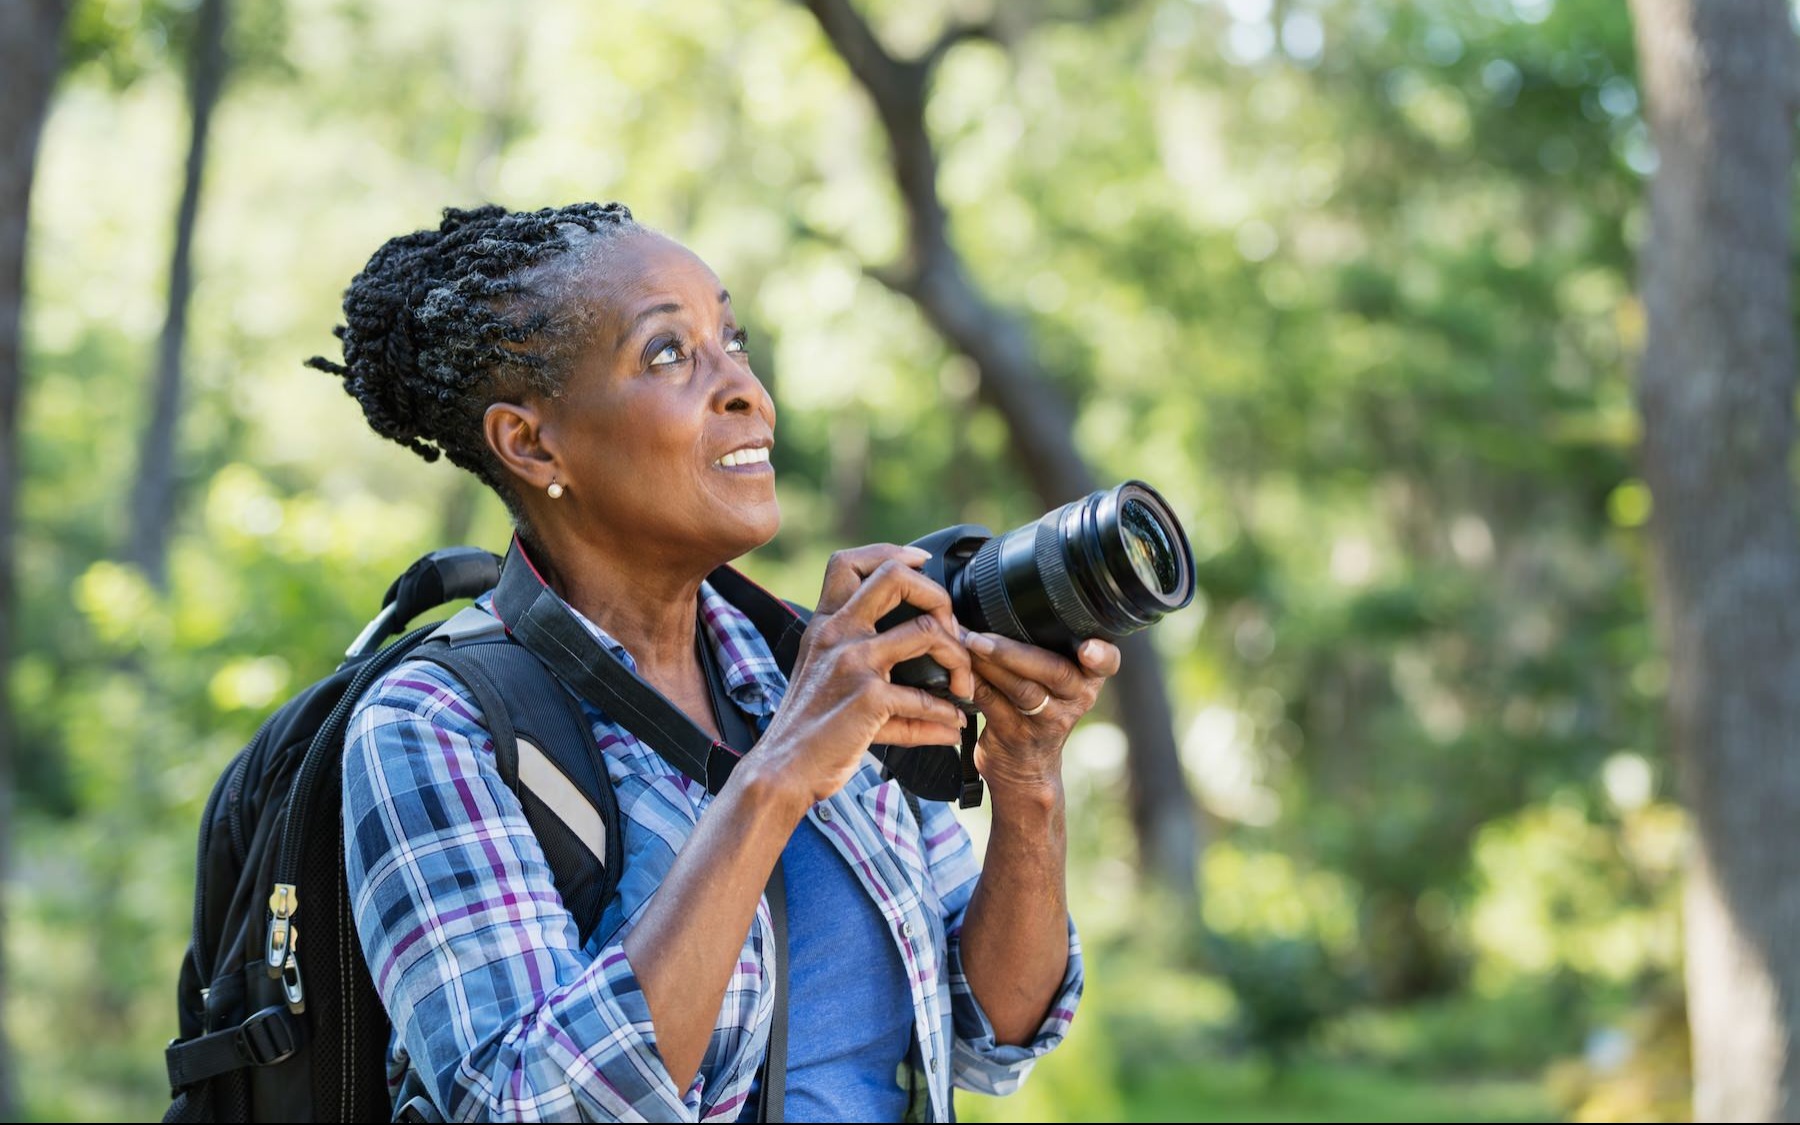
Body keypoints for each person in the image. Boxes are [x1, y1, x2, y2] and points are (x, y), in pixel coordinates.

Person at [311, 202, 1120, 1122]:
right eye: (669, 353)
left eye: (732, 341)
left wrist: (1026, 782)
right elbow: (529, 1107)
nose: (746, 390)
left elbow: (991, 1031)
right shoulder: (434, 724)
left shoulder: (812, 667)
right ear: (530, 442)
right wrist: (775, 777)